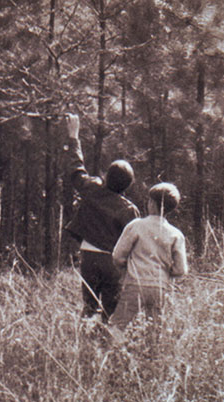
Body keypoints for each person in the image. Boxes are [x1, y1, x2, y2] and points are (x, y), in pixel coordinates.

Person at [63, 113, 140, 324]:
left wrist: (73, 137)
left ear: (106, 177)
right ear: (128, 186)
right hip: (112, 262)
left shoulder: (92, 189)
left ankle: (85, 344)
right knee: (111, 311)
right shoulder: (129, 209)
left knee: (89, 306)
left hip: (88, 256)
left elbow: (76, 170)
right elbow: (135, 242)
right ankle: (105, 344)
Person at [111, 182, 188, 330]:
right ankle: (150, 353)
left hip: (135, 283)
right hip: (159, 287)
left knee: (118, 326)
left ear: (152, 203)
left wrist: (125, 268)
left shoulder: (137, 225)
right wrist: (166, 272)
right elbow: (181, 269)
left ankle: (113, 352)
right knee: (154, 330)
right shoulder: (176, 234)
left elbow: (118, 256)